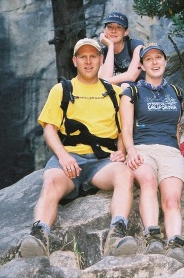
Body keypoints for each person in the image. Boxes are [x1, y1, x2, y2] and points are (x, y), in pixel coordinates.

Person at [19, 38, 137, 258]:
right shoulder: (62, 89)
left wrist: (121, 150)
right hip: (70, 157)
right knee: (52, 181)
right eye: (83, 57)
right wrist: (63, 157)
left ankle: (117, 235)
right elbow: (49, 129)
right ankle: (38, 236)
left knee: (124, 174)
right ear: (75, 61)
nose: (89, 61)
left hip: (102, 161)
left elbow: (123, 129)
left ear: (101, 60)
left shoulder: (114, 93)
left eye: (93, 56)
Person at [119, 42, 184, 265]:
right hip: (143, 148)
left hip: (170, 151)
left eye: (158, 57)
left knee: (171, 199)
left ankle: (175, 244)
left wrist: (181, 156)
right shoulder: (132, 90)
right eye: (149, 59)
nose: (155, 62)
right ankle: (152, 236)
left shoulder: (177, 92)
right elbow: (125, 127)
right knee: (148, 180)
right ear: (142, 65)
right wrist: (129, 151)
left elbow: (176, 129)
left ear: (166, 61)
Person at [98, 11, 145, 86]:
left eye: (119, 27)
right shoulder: (104, 52)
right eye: (110, 27)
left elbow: (132, 76)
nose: (113, 31)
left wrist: (103, 82)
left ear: (126, 32)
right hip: (115, 93)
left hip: (138, 91)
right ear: (104, 30)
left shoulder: (135, 45)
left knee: (125, 86)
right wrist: (110, 47)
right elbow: (102, 79)